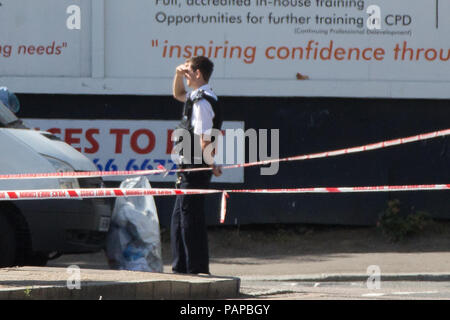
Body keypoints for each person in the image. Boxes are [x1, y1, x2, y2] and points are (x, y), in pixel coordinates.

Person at [170, 56, 223, 275]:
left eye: (189, 71)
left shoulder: (202, 102)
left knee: (190, 218)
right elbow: (178, 94)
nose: (185, 74)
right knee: (179, 217)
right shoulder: (197, 97)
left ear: (198, 73)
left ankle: (195, 269)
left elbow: (203, 139)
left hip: (195, 165)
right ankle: (182, 265)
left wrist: (212, 164)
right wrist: (177, 74)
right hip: (189, 164)